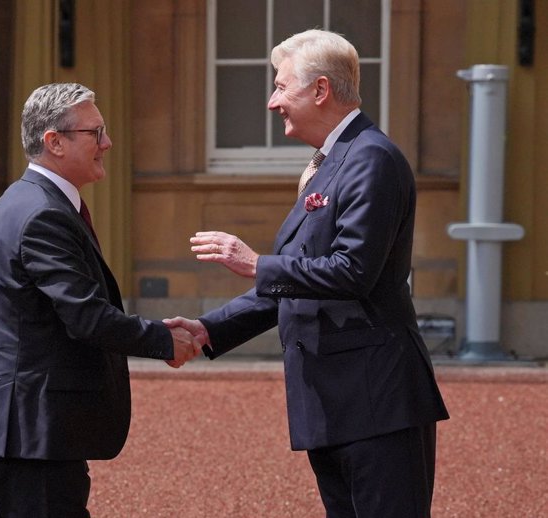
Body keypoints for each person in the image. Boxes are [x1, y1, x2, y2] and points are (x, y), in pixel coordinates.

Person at [166, 30, 449, 518]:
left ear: (320, 90)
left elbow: (352, 272)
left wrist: (255, 263)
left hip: (376, 401)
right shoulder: (330, 164)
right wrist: (210, 329)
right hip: (335, 402)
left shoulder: (371, 158)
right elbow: (292, 285)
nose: (273, 102)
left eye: (281, 87)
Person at [0, 82, 201, 518]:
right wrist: (164, 340)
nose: (107, 143)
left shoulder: (32, 203)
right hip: (31, 430)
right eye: (95, 133)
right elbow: (87, 316)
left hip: (33, 429)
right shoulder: (42, 214)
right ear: (54, 142)